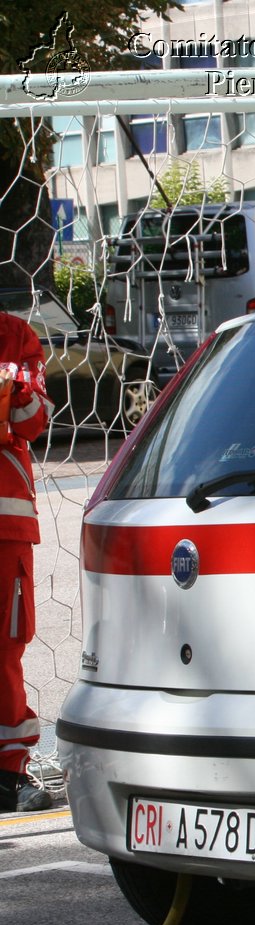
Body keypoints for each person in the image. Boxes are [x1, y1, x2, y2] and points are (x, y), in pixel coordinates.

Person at [0, 309, 55, 813]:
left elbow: (35, 419)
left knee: (3, 649)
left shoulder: (15, 335)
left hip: (4, 526)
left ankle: (7, 773)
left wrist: (12, 393)